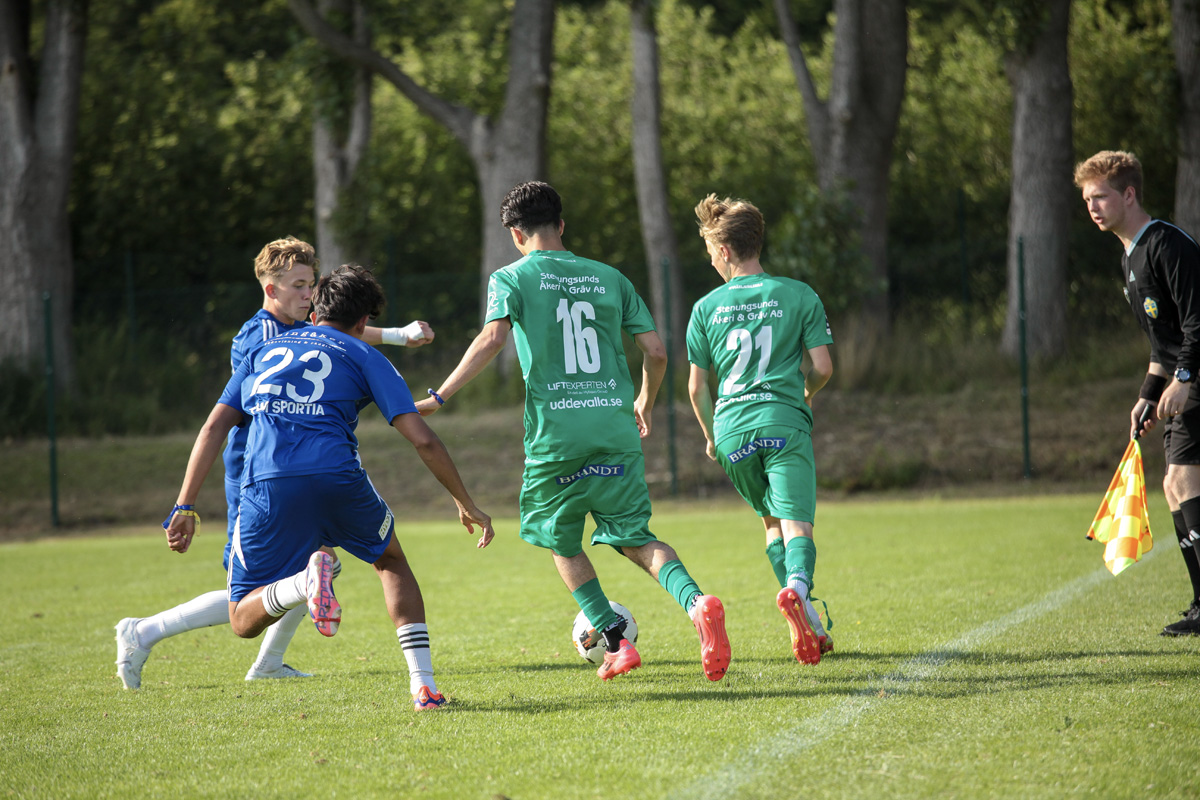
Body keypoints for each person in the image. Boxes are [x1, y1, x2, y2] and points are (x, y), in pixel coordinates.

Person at [414, 181, 731, 682]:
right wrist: (644, 400)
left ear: (516, 234)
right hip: (615, 429)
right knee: (636, 538)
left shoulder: (511, 278)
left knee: (561, 540)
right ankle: (696, 603)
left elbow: (492, 339)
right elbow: (656, 351)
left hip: (557, 438)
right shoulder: (611, 277)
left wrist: (440, 395)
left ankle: (615, 644)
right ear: (561, 225)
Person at [160, 264, 493, 710]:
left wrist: (185, 505)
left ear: (315, 313)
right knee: (390, 560)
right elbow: (424, 440)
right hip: (337, 476)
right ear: (363, 322)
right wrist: (465, 502)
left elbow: (213, 427)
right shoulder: (367, 356)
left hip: (267, 483)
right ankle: (424, 687)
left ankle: (302, 585)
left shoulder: (263, 351)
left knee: (241, 619)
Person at [115, 237, 436, 690]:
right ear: (271, 290)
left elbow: (338, 335)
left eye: (311, 285)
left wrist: (399, 344)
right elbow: (235, 413)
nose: (309, 295)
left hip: (290, 468)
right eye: (299, 286)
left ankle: (269, 661)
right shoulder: (263, 336)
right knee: (252, 593)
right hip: (259, 473)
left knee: (316, 567)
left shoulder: (300, 328)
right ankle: (144, 631)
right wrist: (185, 503)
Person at [685, 194, 835, 665]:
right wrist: (804, 393)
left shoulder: (705, 308)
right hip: (782, 421)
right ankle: (798, 592)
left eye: (711, 252)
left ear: (725, 250)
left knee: (771, 522)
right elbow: (823, 367)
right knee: (797, 523)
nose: (711, 261)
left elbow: (696, 389)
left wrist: (712, 437)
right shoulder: (799, 294)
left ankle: (811, 622)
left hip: (732, 429)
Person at [1075, 151, 1200, 637]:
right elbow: (1161, 342)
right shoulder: (1129, 256)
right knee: (1174, 486)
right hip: (1185, 376)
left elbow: (1196, 321)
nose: (1092, 207)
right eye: (1088, 199)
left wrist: (1184, 379)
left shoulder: (1166, 244)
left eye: (1101, 197)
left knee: (1184, 481)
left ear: (1129, 195)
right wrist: (1149, 393)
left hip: (1196, 376)